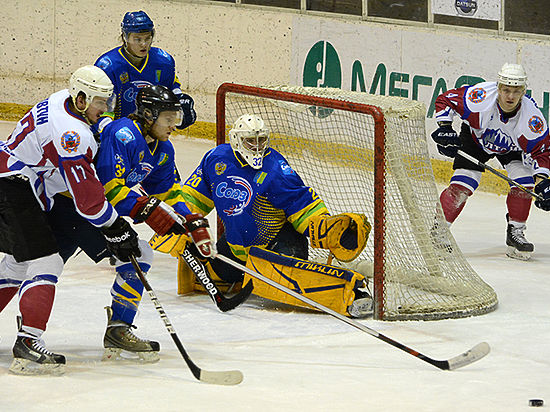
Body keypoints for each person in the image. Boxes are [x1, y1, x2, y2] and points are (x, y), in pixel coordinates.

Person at [0, 65, 142, 375]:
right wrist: (114, 225)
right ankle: (28, 342)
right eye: (100, 103)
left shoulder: (60, 98)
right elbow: (89, 203)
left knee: (17, 263)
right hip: (12, 187)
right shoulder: (72, 134)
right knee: (46, 261)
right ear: (81, 98)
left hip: (10, 177)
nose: (105, 109)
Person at [172, 114, 373, 318]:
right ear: (235, 140)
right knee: (204, 273)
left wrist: (323, 226)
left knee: (290, 284)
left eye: (261, 140)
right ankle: (240, 273)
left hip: (279, 245)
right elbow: (194, 198)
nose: (257, 146)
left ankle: (352, 294)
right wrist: (178, 222)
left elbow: (301, 203)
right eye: (250, 140)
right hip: (237, 248)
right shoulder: (216, 160)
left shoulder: (275, 168)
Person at [93, 84, 215, 360]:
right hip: (73, 208)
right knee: (33, 264)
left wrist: (191, 219)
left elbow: (168, 193)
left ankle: (118, 328)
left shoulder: (163, 149)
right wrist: (145, 208)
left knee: (140, 254)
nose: (174, 125)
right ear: (148, 115)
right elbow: (108, 189)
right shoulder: (122, 134)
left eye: (176, 119)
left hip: (101, 218)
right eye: (168, 119)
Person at [432, 63, 550, 260]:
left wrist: (543, 182)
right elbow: (445, 100)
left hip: (512, 148)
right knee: (462, 185)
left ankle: (516, 232)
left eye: (516, 91)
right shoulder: (480, 97)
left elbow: (542, 152)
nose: (510, 96)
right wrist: (445, 127)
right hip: (475, 139)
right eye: (506, 90)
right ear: (498, 87)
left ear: (524, 91)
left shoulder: (532, 119)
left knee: (524, 182)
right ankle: (438, 232)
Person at [93, 10, 196, 135]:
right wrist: (112, 133)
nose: (144, 44)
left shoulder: (163, 61)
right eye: (137, 39)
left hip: (152, 133)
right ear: (125, 38)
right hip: (118, 134)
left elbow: (172, 87)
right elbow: (101, 108)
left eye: (148, 38)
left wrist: (180, 101)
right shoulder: (109, 66)